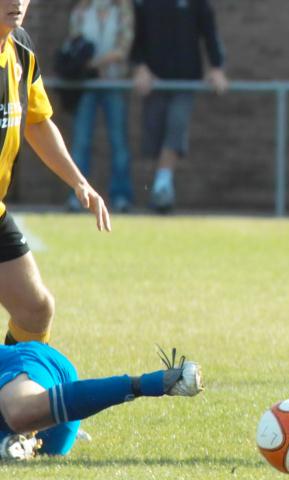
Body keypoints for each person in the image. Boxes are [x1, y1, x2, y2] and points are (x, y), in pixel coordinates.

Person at [0, 0, 111, 347]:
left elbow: (37, 121)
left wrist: (79, 182)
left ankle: (9, 392)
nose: (16, 1)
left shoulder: (21, 49)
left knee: (35, 311)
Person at [0, 343, 202, 459]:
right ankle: (24, 438)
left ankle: (151, 382)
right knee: (42, 446)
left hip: (29, 365)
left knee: (21, 411)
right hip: (48, 434)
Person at [131, 0, 228, 213]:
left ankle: (162, 187)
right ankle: (159, 187)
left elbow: (209, 31)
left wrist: (217, 66)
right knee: (154, 137)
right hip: (154, 81)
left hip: (185, 80)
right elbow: (135, 36)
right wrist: (139, 66)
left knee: (177, 125)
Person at [67, 0, 135, 214]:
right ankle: (77, 196)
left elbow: (123, 49)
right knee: (81, 141)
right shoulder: (81, 10)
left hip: (114, 83)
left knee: (118, 142)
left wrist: (94, 64)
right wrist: (84, 65)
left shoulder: (122, 9)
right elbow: (74, 45)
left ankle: (121, 195)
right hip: (86, 85)